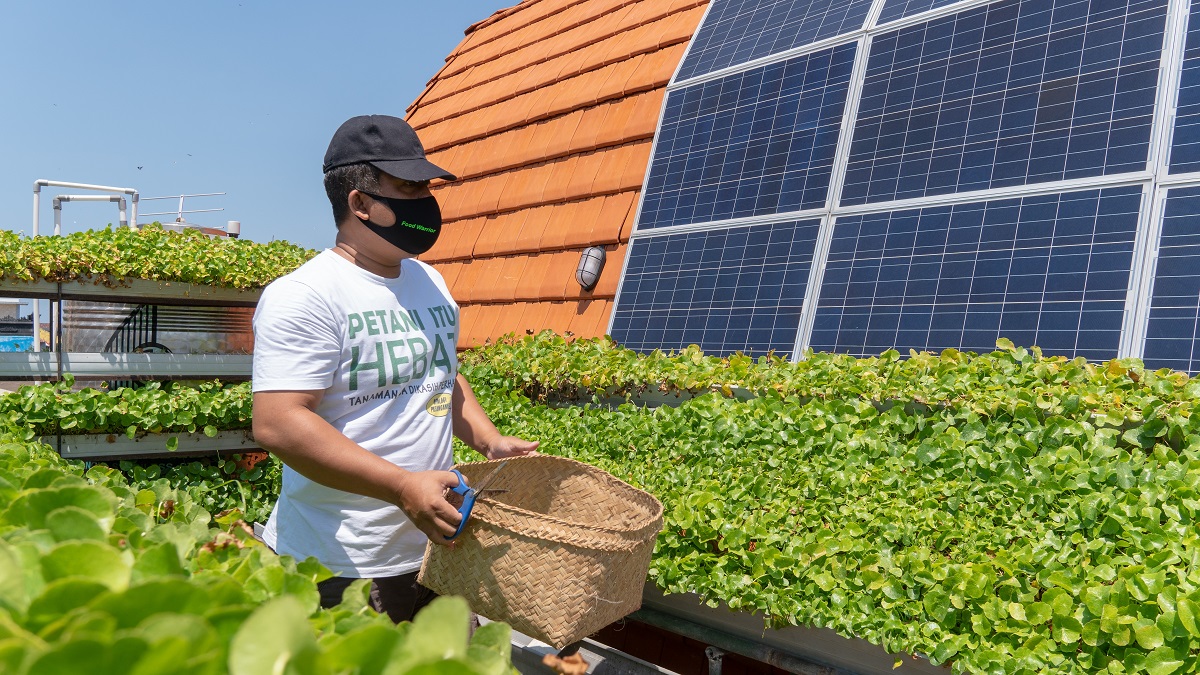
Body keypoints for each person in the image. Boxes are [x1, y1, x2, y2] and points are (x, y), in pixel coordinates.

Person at [251, 114, 538, 622]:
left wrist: (489, 439)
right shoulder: (305, 296)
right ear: (359, 203)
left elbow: (437, 371)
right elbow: (279, 422)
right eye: (408, 188)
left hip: (437, 543)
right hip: (343, 562)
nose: (426, 202)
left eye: (425, 187)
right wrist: (402, 487)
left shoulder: (429, 280)